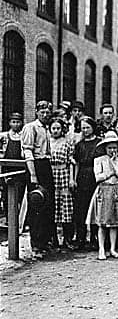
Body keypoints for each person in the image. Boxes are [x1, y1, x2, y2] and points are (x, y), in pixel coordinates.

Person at [86, 131, 118, 260]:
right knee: (102, 223)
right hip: (103, 191)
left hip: (117, 190)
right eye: (109, 147)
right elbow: (98, 177)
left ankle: (113, 249)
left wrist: (114, 165)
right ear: (105, 148)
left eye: (114, 147)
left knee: (115, 222)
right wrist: (109, 173)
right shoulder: (98, 160)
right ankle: (101, 249)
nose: (112, 150)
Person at [21, 101, 54, 257]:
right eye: (42, 112)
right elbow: (28, 152)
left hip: (46, 165)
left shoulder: (47, 128)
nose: (46, 114)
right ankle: (35, 246)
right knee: (37, 206)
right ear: (36, 112)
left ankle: (44, 243)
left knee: (47, 205)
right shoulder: (30, 127)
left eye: (48, 112)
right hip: (36, 166)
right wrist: (33, 174)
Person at [73, 116, 101, 250]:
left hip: (95, 175)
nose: (85, 130)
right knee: (81, 209)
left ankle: (94, 238)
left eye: (87, 127)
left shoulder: (99, 143)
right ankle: (81, 238)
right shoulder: (79, 145)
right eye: (83, 128)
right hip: (82, 176)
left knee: (95, 208)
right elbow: (77, 163)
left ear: (93, 127)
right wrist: (74, 178)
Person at [49, 118, 76, 249]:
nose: (55, 131)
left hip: (64, 173)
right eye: (53, 128)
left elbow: (71, 161)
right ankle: (54, 239)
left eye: (58, 128)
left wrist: (71, 178)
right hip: (51, 175)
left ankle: (67, 239)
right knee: (53, 205)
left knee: (66, 207)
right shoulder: (47, 142)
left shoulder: (67, 142)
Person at [0, 112, 25, 210]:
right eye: (13, 122)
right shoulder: (4, 136)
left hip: (20, 169)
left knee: (20, 193)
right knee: (6, 193)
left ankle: (19, 218)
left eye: (18, 122)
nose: (16, 124)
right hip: (7, 169)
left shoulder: (23, 136)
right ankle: (7, 217)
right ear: (10, 123)